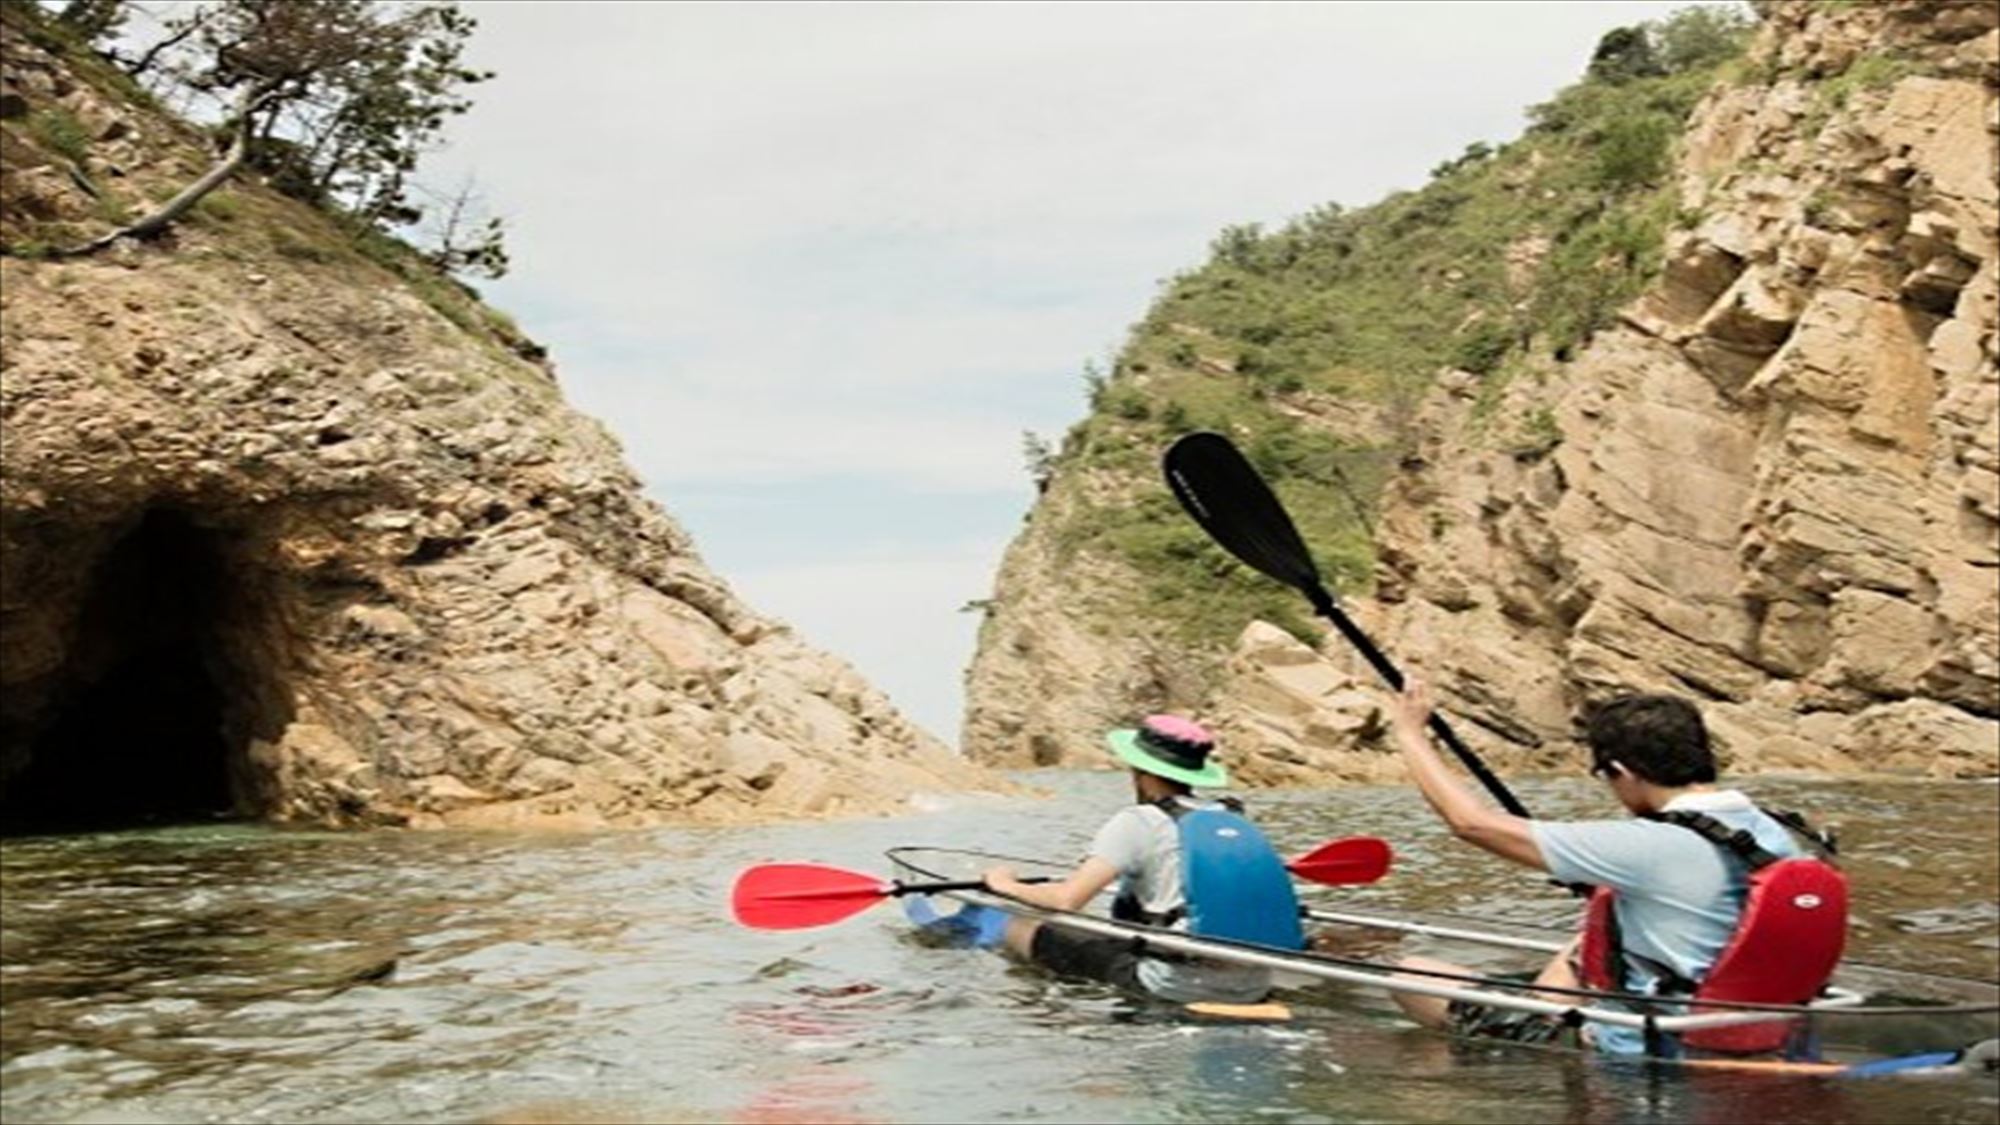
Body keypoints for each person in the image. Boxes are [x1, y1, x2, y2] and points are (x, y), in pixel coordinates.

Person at [1382, 678, 1838, 1057]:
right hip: (1753, 1029)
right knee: (1583, 944)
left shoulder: (1648, 843)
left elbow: (1473, 824)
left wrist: (1410, 736)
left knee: (1412, 975)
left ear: (1623, 770)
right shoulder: (1777, 831)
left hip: (1641, 1049)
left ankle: (1488, 1060)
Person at [980, 715, 1298, 1005]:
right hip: (1253, 986)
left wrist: (1004, 883)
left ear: (1142, 772)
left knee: (1023, 924)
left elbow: (1065, 901)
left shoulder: (1138, 820)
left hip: (1170, 985)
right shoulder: (1230, 817)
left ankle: (1040, 1008)